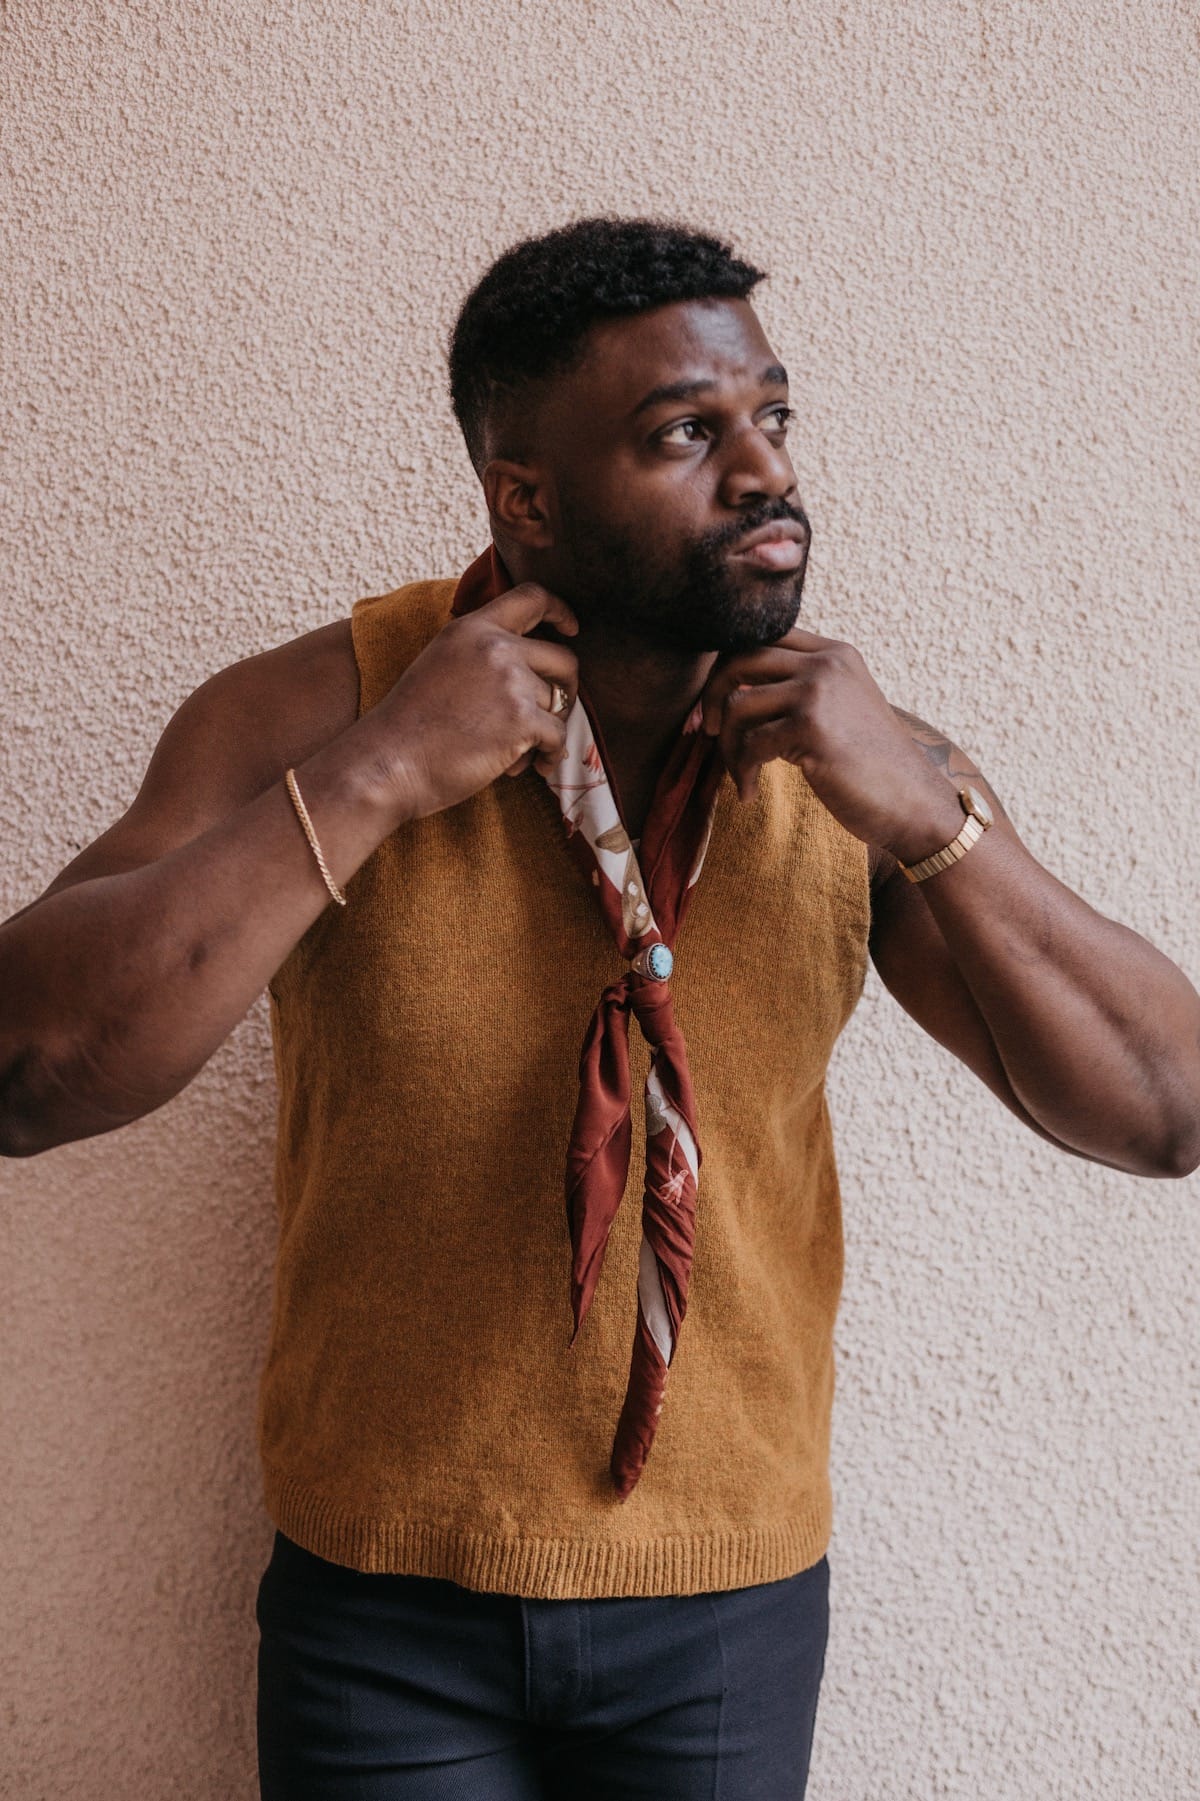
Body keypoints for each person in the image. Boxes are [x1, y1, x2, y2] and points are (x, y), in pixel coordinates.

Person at [2, 216, 1198, 1799]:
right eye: (688, 433)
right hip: (385, 1596)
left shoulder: (862, 768)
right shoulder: (325, 709)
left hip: (726, 1596)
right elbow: (28, 1068)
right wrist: (376, 775)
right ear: (527, 500)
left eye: (773, 416)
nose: (766, 472)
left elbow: (1165, 1111)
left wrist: (932, 820)